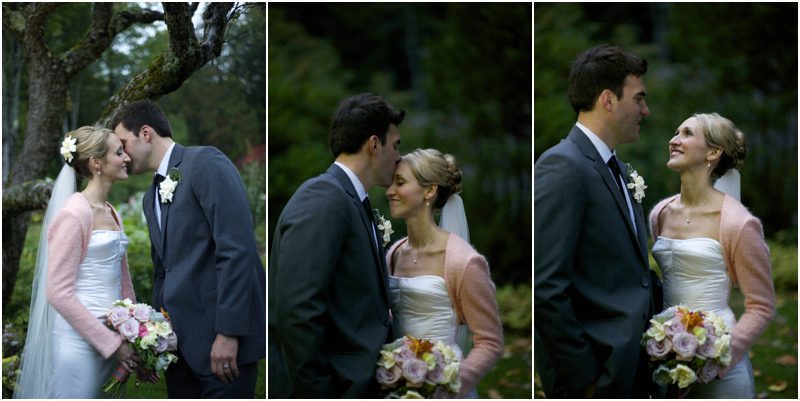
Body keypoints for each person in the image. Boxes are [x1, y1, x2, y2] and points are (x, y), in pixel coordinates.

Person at [110, 100, 266, 398]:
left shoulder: (205, 163)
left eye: (123, 143)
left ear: (145, 133)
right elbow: (163, 272)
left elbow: (237, 250)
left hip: (221, 347)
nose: (123, 155)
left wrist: (229, 333)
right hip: (178, 352)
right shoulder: (148, 197)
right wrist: (155, 341)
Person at [534, 44, 660, 397]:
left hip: (630, 368)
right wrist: (586, 380)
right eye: (638, 99)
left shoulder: (615, 168)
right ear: (608, 100)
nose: (645, 110)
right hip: (596, 377)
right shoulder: (562, 166)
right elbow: (546, 288)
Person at [268, 93, 403, 398]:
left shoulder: (350, 199)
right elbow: (299, 312)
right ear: (373, 144)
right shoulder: (323, 198)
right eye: (395, 146)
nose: (398, 158)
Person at [649, 113, 775, 398]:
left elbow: (761, 306)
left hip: (722, 372)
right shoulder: (660, 214)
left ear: (713, 152)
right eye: (675, 131)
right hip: (666, 361)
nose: (674, 140)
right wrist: (667, 348)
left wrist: (717, 358)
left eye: (687, 133)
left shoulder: (738, 223)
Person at [15, 126, 140, 398]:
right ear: (96, 163)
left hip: (113, 337)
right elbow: (58, 291)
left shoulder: (111, 212)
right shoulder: (74, 214)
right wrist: (111, 343)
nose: (127, 158)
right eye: (119, 152)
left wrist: (136, 331)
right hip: (79, 343)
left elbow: (123, 280)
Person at [385, 148, 503, 398]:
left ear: (429, 190)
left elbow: (490, 342)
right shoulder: (392, 253)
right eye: (391, 183)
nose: (389, 191)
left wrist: (449, 387)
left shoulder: (465, 261)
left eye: (400, 183)